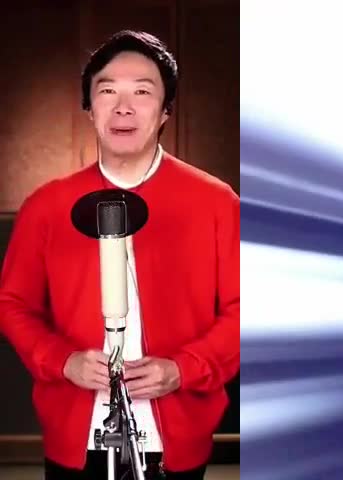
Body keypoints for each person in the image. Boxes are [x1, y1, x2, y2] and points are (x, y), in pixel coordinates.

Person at [0, 30, 239, 480]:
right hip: (76, 435)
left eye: (142, 92)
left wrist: (183, 369)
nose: (123, 106)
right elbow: (13, 304)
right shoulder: (47, 206)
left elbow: (246, 310)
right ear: (89, 108)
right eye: (107, 91)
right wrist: (62, 360)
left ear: (166, 110)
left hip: (176, 435)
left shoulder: (216, 202)